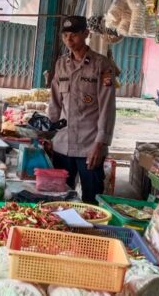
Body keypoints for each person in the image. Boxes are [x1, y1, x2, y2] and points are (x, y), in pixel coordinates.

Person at [47, 15, 117, 204]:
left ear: (86, 34)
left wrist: (100, 143)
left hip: (89, 146)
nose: (69, 40)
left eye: (74, 35)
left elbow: (107, 107)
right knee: (59, 199)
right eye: (65, 35)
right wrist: (47, 135)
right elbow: (54, 103)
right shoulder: (61, 64)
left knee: (91, 201)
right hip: (62, 145)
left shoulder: (101, 65)